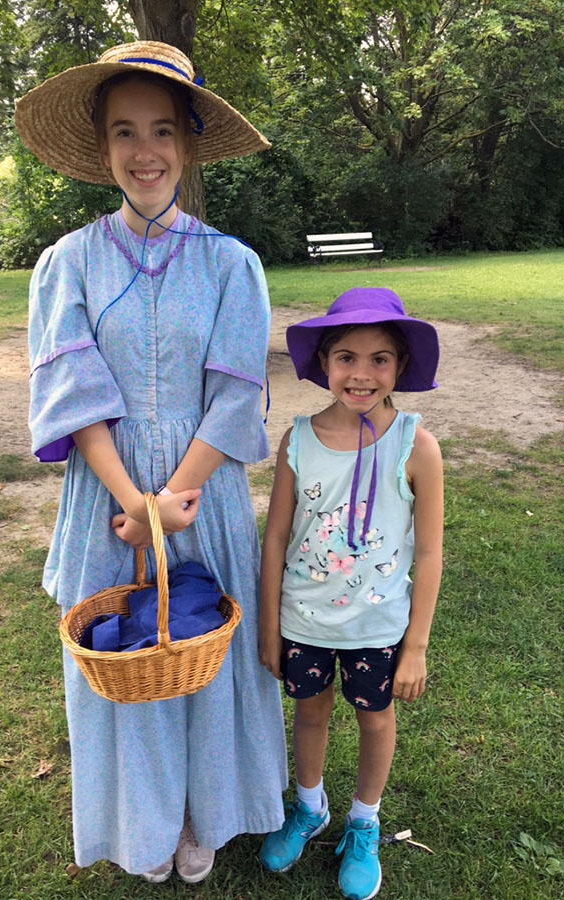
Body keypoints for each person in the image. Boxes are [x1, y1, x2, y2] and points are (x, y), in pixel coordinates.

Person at [14, 40, 287, 884]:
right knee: (128, 650)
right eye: (125, 131)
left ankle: (205, 814)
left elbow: (238, 394)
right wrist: (136, 502)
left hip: (199, 490)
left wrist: (175, 499)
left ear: (189, 143)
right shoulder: (66, 264)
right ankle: (146, 823)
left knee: (200, 649)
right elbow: (73, 391)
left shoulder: (231, 264)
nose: (145, 152)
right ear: (102, 148)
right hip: (107, 494)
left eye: (162, 130)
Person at [258, 287, 443, 899]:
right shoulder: (297, 440)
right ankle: (309, 806)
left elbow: (429, 552)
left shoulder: (417, 445)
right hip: (303, 621)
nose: (361, 373)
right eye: (346, 356)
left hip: (379, 628)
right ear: (324, 363)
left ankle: (364, 820)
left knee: (375, 719)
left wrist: (415, 645)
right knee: (309, 713)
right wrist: (268, 628)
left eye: (380, 358)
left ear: (402, 366)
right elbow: (277, 537)